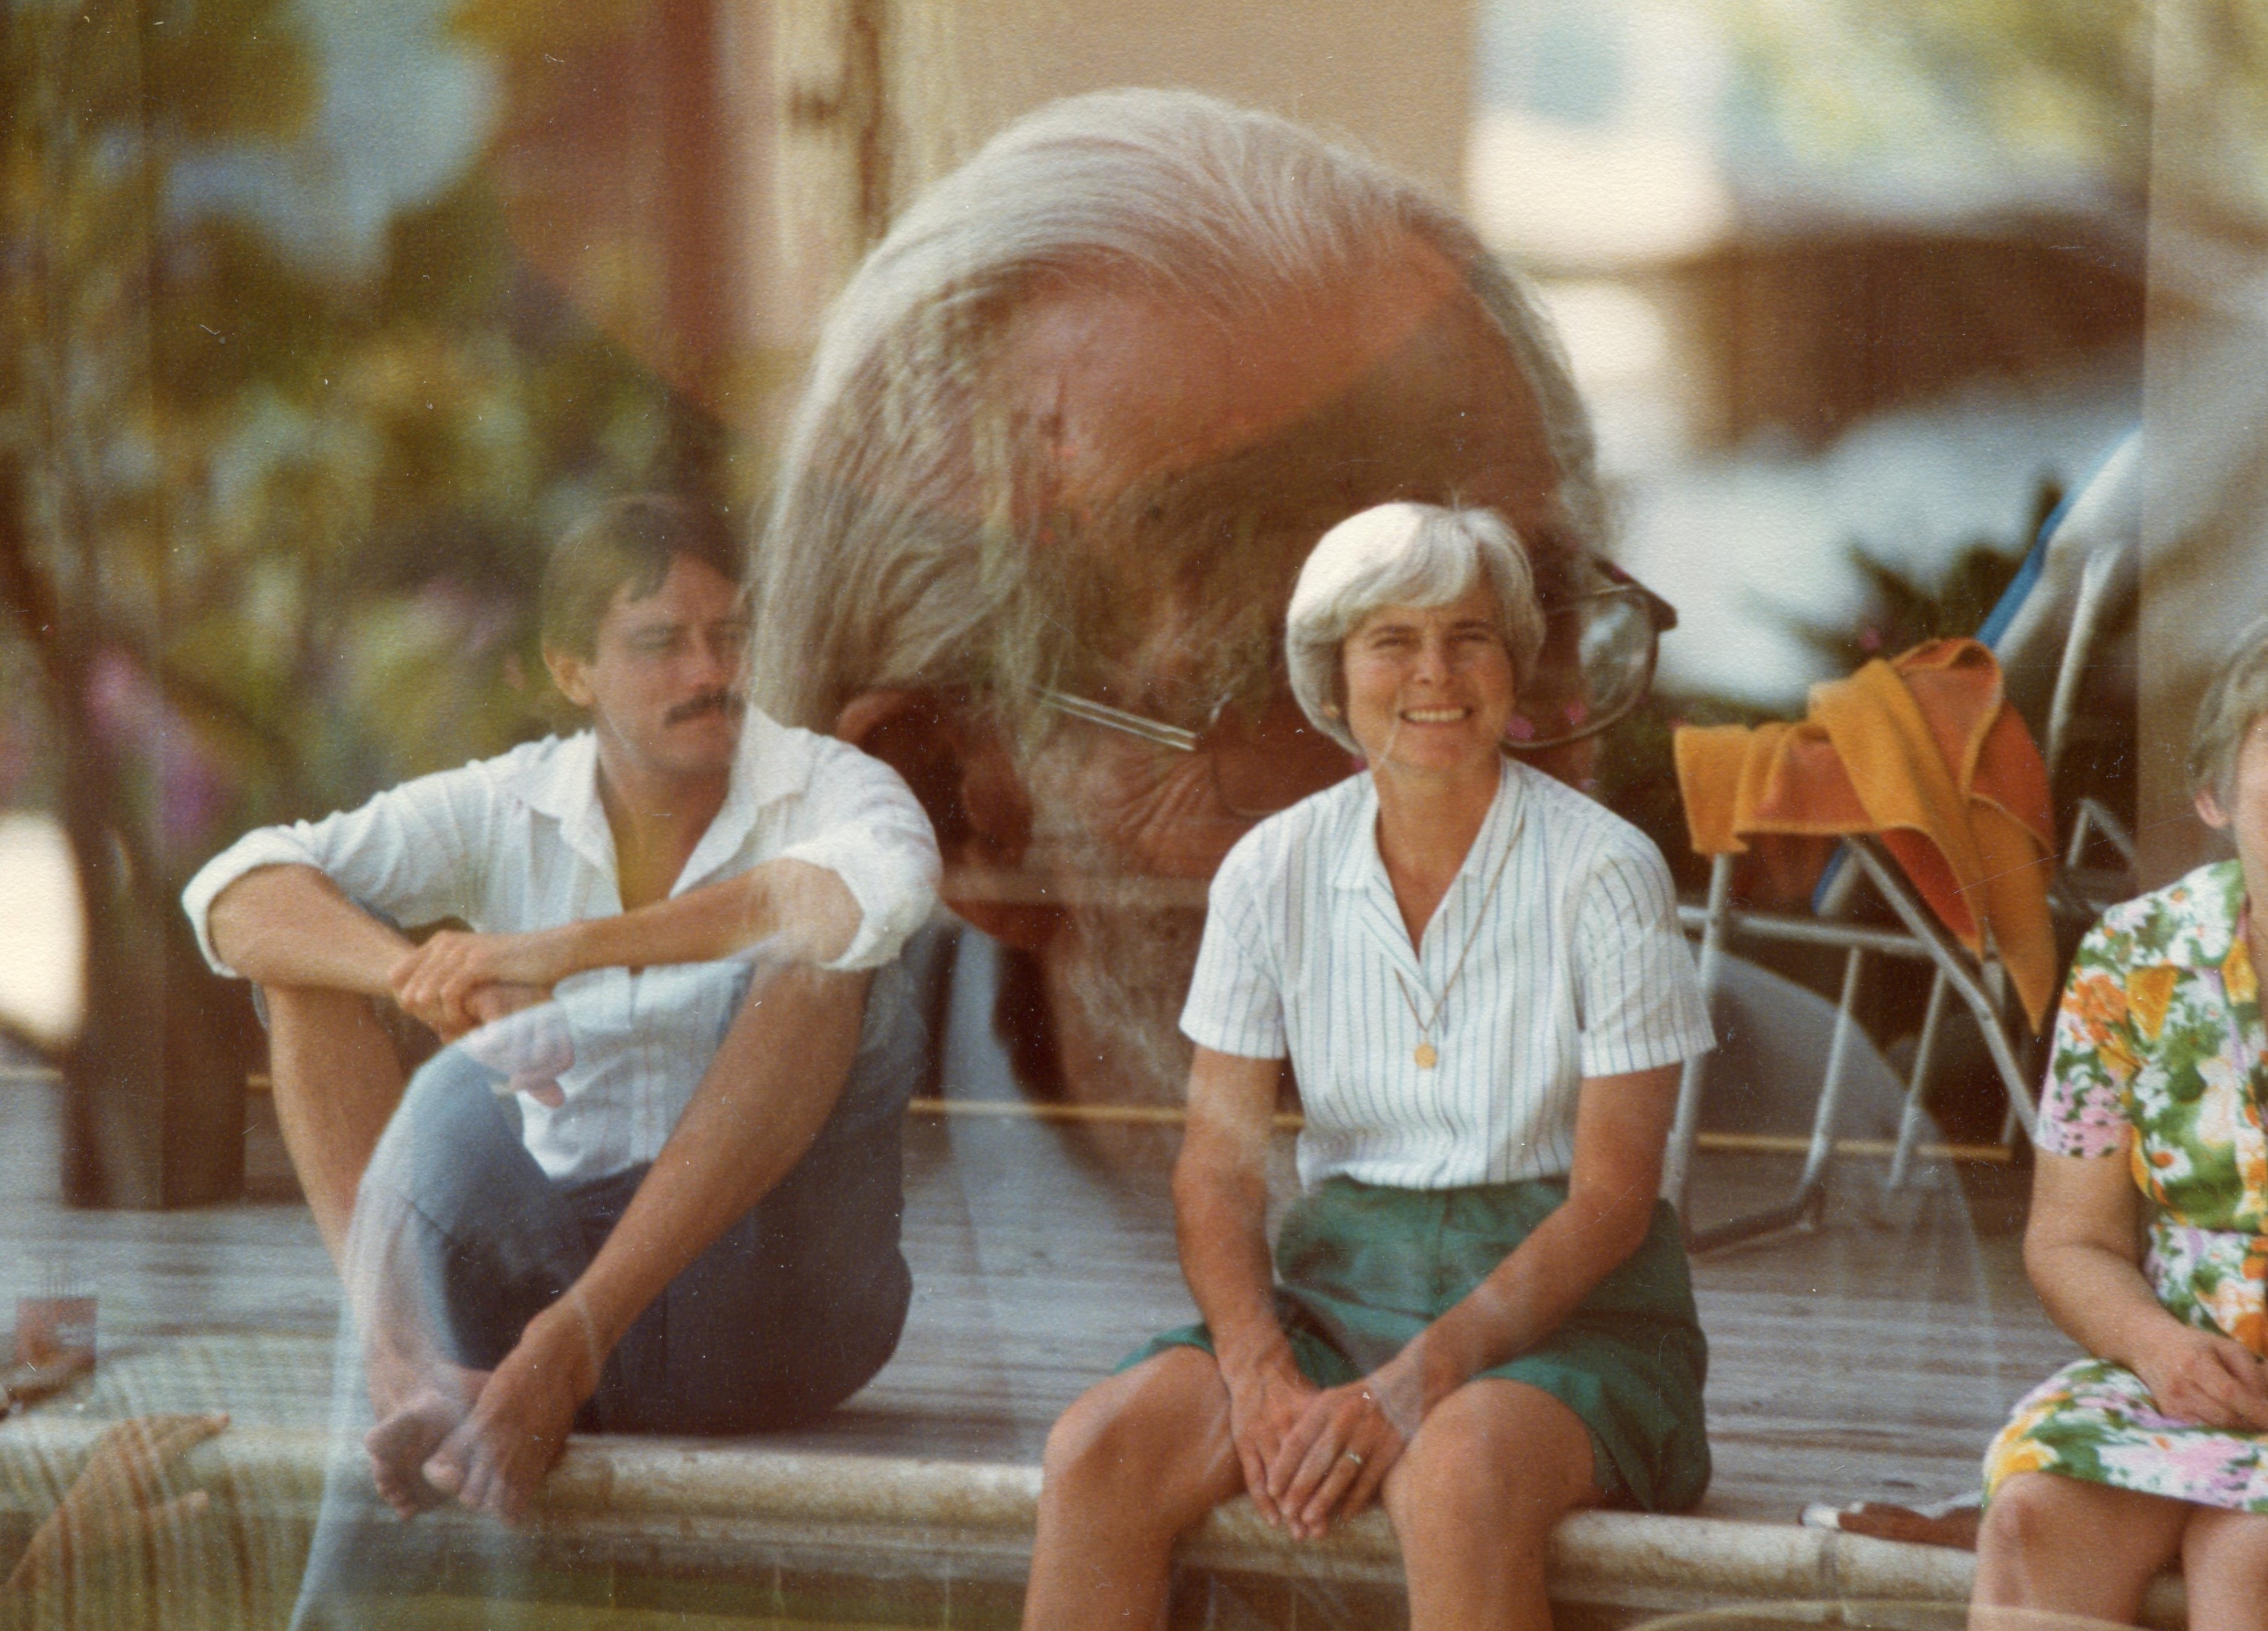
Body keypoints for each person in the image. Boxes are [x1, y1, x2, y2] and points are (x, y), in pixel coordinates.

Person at [747, 88, 1675, 1116]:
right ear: (958, 812)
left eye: (1526, 623)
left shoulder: (1816, 1138)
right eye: (1309, 683)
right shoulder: (709, 1209)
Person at [179, 494, 939, 1525]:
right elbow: (235, 886)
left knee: (823, 956)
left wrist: (544, 952)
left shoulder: (835, 790)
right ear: (571, 671)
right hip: (527, 1297)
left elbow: (856, 899)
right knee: (306, 954)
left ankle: (565, 1349)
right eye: (661, 645)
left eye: (729, 639)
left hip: (769, 1319)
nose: (709, 674)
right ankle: (403, 1369)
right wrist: (423, 976)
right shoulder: (512, 800)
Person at [1023, 503, 1715, 1631]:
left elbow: (1611, 1202)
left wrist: (1418, 1382)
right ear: (1332, 678)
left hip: (1568, 1323)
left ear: (1516, 665)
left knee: (1453, 1478)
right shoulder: (1270, 872)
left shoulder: (1607, 873)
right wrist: (1257, 1375)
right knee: (1098, 1452)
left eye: (1470, 637)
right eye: (1392, 640)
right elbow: (1219, 1173)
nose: (1434, 673)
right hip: (1334, 1299)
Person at [1973, 619, 2268, 1627]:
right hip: (2190, 1377)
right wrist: (2158, 1347)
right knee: (2034, 1523)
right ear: (2215, 795)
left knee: (2250, 1560)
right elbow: (2071, 1239)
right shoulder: (2136, 958)